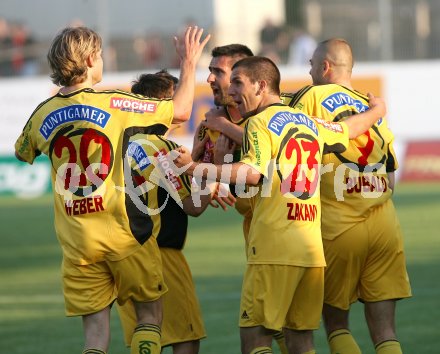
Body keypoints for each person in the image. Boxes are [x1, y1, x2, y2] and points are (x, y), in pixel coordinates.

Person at [14, 25, 209, 354]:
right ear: (90, 59)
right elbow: (181, 111)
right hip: (124, 233)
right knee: (149, 313)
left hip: (78, 242)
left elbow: (24, 152)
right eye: (101, 55)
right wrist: (188, 63)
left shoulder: (41, 113)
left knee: (94, 333)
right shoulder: (115, 103)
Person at [172, 56, 386, 354]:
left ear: (261, 85)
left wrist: (194, 168)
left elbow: (251, 173)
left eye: (238, 82)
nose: (231, 91)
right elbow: (349, 129)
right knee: (301, 341)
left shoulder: (259, 122)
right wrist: (378, 110)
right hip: (310, 248)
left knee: (255, 338)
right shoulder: (307, 121)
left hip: (274, 244)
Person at [285, 38, 412, 354]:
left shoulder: (311, 96)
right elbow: (391, 177)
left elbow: (290, 142)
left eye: (312, 64)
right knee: (385, 332)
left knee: (336, 324)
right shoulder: (372, 108)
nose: (309, 69)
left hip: (338, 224)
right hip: (385, 224)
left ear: (325, 67)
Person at [192, 43, 288, 353]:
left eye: (219, 73)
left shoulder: (277, 112)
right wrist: (212, 174)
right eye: (211, 72)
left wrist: (227, 131)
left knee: (258, 332)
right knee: (286, 332)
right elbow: (194, 205)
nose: (211, 80)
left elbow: (275, 149)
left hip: (284, 229)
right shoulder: (209, 127)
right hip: (256, 233)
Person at [117, 70, 214, 354]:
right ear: (164, 103)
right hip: (161, 255)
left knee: (145, 335)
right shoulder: (164, 148)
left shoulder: (119, 145)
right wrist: (208, 167)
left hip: (122, 254)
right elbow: (193, 206)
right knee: (185, 337)